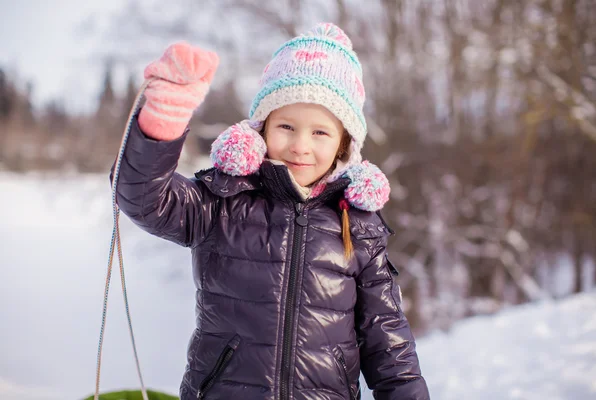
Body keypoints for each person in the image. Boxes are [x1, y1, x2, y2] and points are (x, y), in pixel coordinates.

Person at [112, 22, 430, 400]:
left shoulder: (358, 224)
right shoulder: (225, 200)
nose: (300, 146)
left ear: (344, 142)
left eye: (320, 133)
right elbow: (142, 197)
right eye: (286, 126)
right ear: (262, 127)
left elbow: (387, 337)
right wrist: (164, 121)